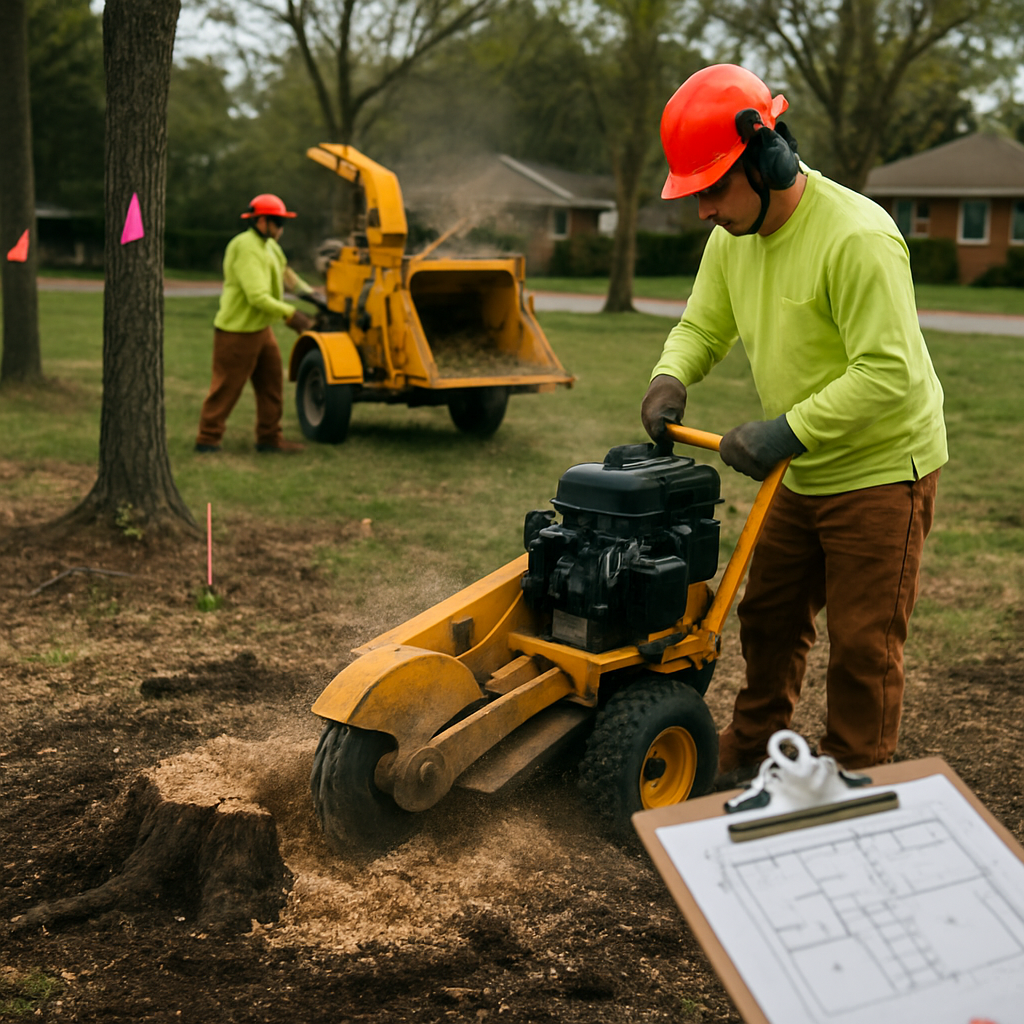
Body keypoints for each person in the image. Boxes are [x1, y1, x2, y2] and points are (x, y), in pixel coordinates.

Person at [641, 64, 947, 782]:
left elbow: (887, 374)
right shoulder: (732, 239)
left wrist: (785, 430)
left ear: (769, 159)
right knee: (768, 620)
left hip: (880, 471)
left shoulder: (857, 238)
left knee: (864, 643)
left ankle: (853, 777)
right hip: (800, 470)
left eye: (712, 188)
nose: (703, 210)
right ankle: (751, 753)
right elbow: (701, 326)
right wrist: (668, 377)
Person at [195, 193, 318, 454]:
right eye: (277, 222)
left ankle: (269, 439)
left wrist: (314, 297)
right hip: (237, 331)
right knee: (226, 388)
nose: (281, 228)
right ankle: (207, 440)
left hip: (262, 330)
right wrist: (291, 314)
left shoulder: (270, 246)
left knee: (272, 385)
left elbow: (287, 275)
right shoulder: (245, 247)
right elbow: (257, 296)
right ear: (261, 221)